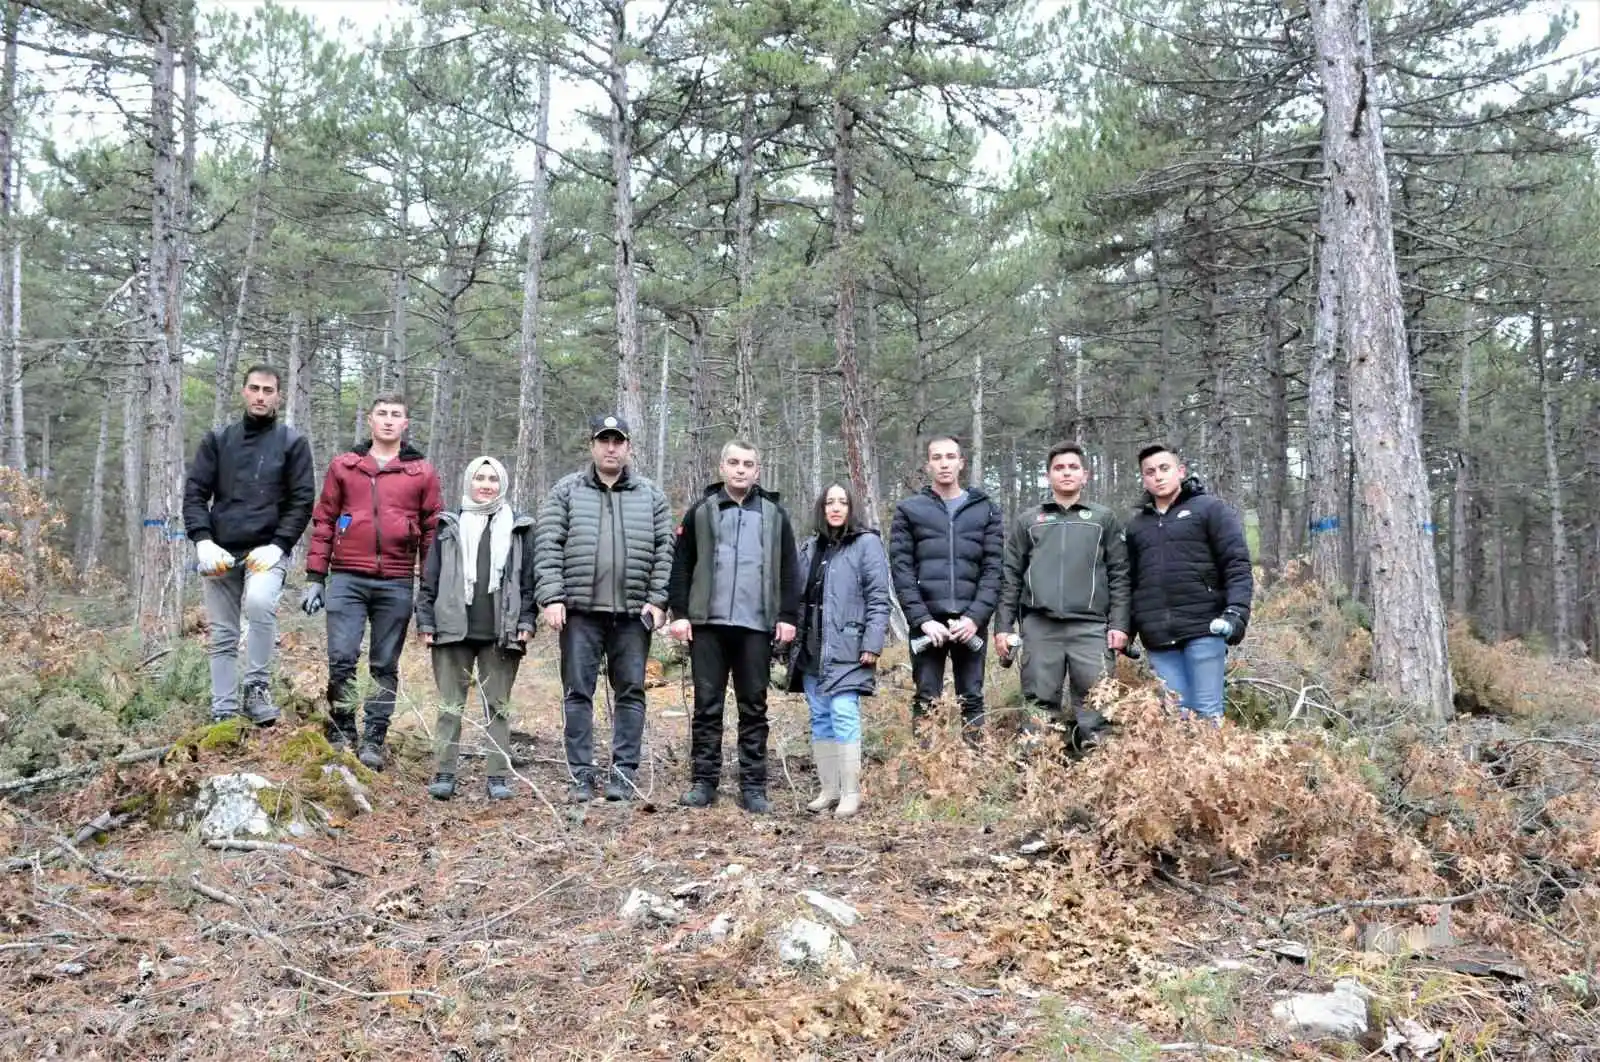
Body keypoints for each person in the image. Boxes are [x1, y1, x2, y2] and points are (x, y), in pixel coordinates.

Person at [534, 415, 674, 804]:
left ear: (628, 447)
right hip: (579, 612)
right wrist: (552, 597)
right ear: (592, 446)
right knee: (578, 692)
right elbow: (547, 546)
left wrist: (658, 601)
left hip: (633, 615)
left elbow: (666, 552)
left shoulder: (650, 495)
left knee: (630, 691)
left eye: (618, 441)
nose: (611, 448)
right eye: (604, 440)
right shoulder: (566, 491)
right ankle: (581, 774)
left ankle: (624, 773)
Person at [301, 393, 443, 769]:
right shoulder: (345, 467)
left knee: (384, 664)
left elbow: (432, 531)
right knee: (342, 658)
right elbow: (325, 520)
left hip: (396, 581)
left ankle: (374, 738)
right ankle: (342, 729)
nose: (388, 420)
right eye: (382, 414)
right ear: (370, 420)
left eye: (396, 414)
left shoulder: (421, 472)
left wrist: (428, 587)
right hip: (346, 576)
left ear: (406, 423)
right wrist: (316, 576)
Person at [666, 440, 800, 814]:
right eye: (734, 463)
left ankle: (754, 786)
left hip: (756, 626)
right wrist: (679, 613)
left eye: (748, 464)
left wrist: (788, 617)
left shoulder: (775, 515)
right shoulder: (701, 512)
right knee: (707, 706)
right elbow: (681, 565)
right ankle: (704, 782)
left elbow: (790, 569)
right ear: (722, 467)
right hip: (707, 625)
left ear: (757, 471)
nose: (741, 470)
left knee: (753, 707)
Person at [182, 365, 316, 726]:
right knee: (223, 631)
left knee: (259, 604)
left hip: (265, 551)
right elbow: (195, 494)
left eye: (268, 390)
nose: (260, 396)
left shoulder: (291, 443)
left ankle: (257, 689)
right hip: (221, 550)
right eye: (254, 388)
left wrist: (279, 545)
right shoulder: (218, 440)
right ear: (243, 391)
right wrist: (202, 540)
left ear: (278, 396)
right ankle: (223, 709)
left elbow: (302, 501)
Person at [415, 456, 537, 801]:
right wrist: (425, 619)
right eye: (480, 478)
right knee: (449, 705)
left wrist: (526, 621)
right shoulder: (448, 526)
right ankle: (444, 771)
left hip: (501, 631)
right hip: (451, 629)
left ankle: (498, 774)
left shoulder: (519, 527)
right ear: (469, 482)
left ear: (503, 484)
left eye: (493, 479)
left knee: (498, 705)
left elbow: (528, 581)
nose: (486, 484)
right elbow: (430, 579)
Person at [995, 443, 1130, 750]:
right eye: (1059, 468)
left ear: (1085, 475)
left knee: (1098, 706)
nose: (1066, 472)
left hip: (1091, 628)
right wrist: (1003, 627)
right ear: (1048, 476)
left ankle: (1101, 779)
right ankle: (1037, 778)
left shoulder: (1102, 519)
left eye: (1073, 467)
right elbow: (1010, 577)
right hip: (1040, 628)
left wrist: (1120, 625)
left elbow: (1120, 575)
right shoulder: (1029, 521)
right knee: (1039, 709)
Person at [1124, 445, 1254, 723]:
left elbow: (1237, 565)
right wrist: (1126, 629)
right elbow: (1130, 582)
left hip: (1204, 628)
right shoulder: (1136, 527)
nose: (1158, 476)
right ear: (1144, 479)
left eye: (1164, 468)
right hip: (1158, 637)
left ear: (1180, 472)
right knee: (1176, 716)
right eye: (1150, 472)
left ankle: (1216, 767)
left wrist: (1236, 613)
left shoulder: (1210, 509)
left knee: (1208, 715)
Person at [888, 434, 1005, 738]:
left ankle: (974, 773)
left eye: (950, 457)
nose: (944, 463)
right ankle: (928, 772)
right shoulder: (909, 510)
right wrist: (923, 621)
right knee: (927, 699)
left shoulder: (986, 509)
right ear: (928, 465)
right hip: (928, 624)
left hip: (970, 622)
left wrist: (975, 617)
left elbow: (993, 569)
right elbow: (901, 571)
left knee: (972, 699)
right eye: (937, 457)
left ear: (961, 463)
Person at [787, 483, 890, 818]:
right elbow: (798, 596)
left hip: (849, 645)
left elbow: (878, 598)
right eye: (829, 502)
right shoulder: (810, 546)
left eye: (842, 502)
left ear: (851, 507)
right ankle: (829, 789)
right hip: (812, 647)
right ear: (821, 508)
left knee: (844, 713)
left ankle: (850, 792)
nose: (835, 507)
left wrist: (873, 643)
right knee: (820, 717)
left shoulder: (866, 543)